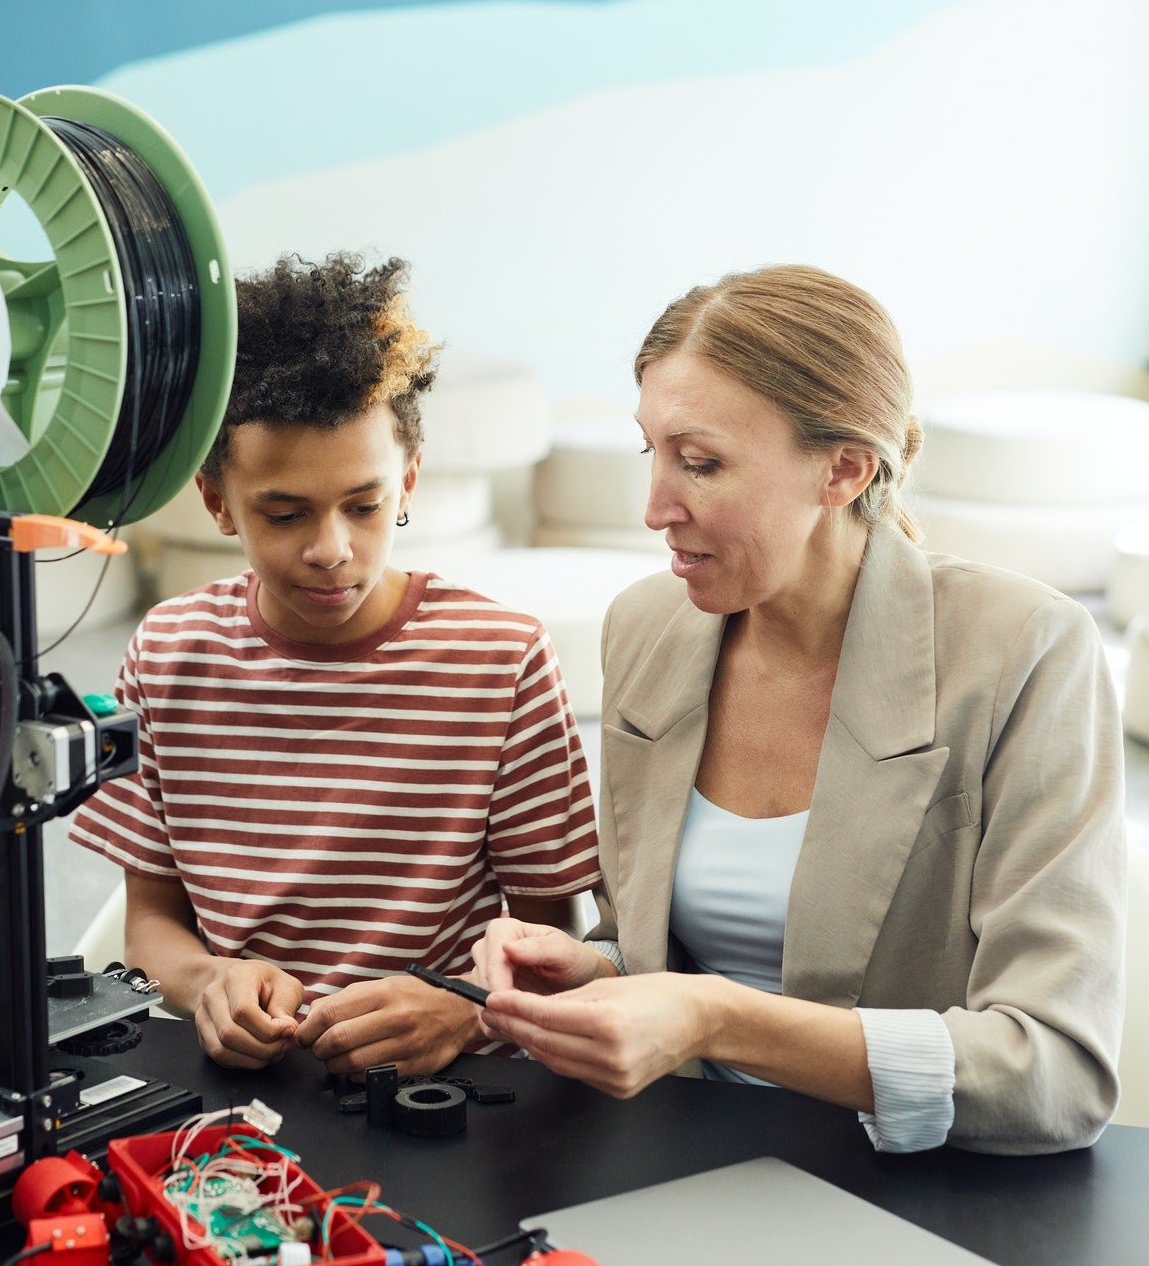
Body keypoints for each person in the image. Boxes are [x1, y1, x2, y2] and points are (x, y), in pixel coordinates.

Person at [471, 265, 1126, 1155]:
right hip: (684, 1156)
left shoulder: (1025, 650)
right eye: (650, 453)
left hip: (915, 1192)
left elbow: (1054, 1073)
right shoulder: (647, 629)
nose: (656, 507)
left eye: (700, 463)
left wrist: (713, 1020)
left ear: (845, 470)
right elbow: (657, 958)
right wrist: (590, 971)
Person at [71, 252, 600, 1074]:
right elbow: (150, 930)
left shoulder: (502, 660)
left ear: (410, 481)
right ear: (216, 502)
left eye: (365, 506)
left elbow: (552, 938)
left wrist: (465, 1010)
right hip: (246, 1080)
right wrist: (211, 979)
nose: (331, 550)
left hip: (446, 1085)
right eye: (283, 513)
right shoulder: (169, 653)